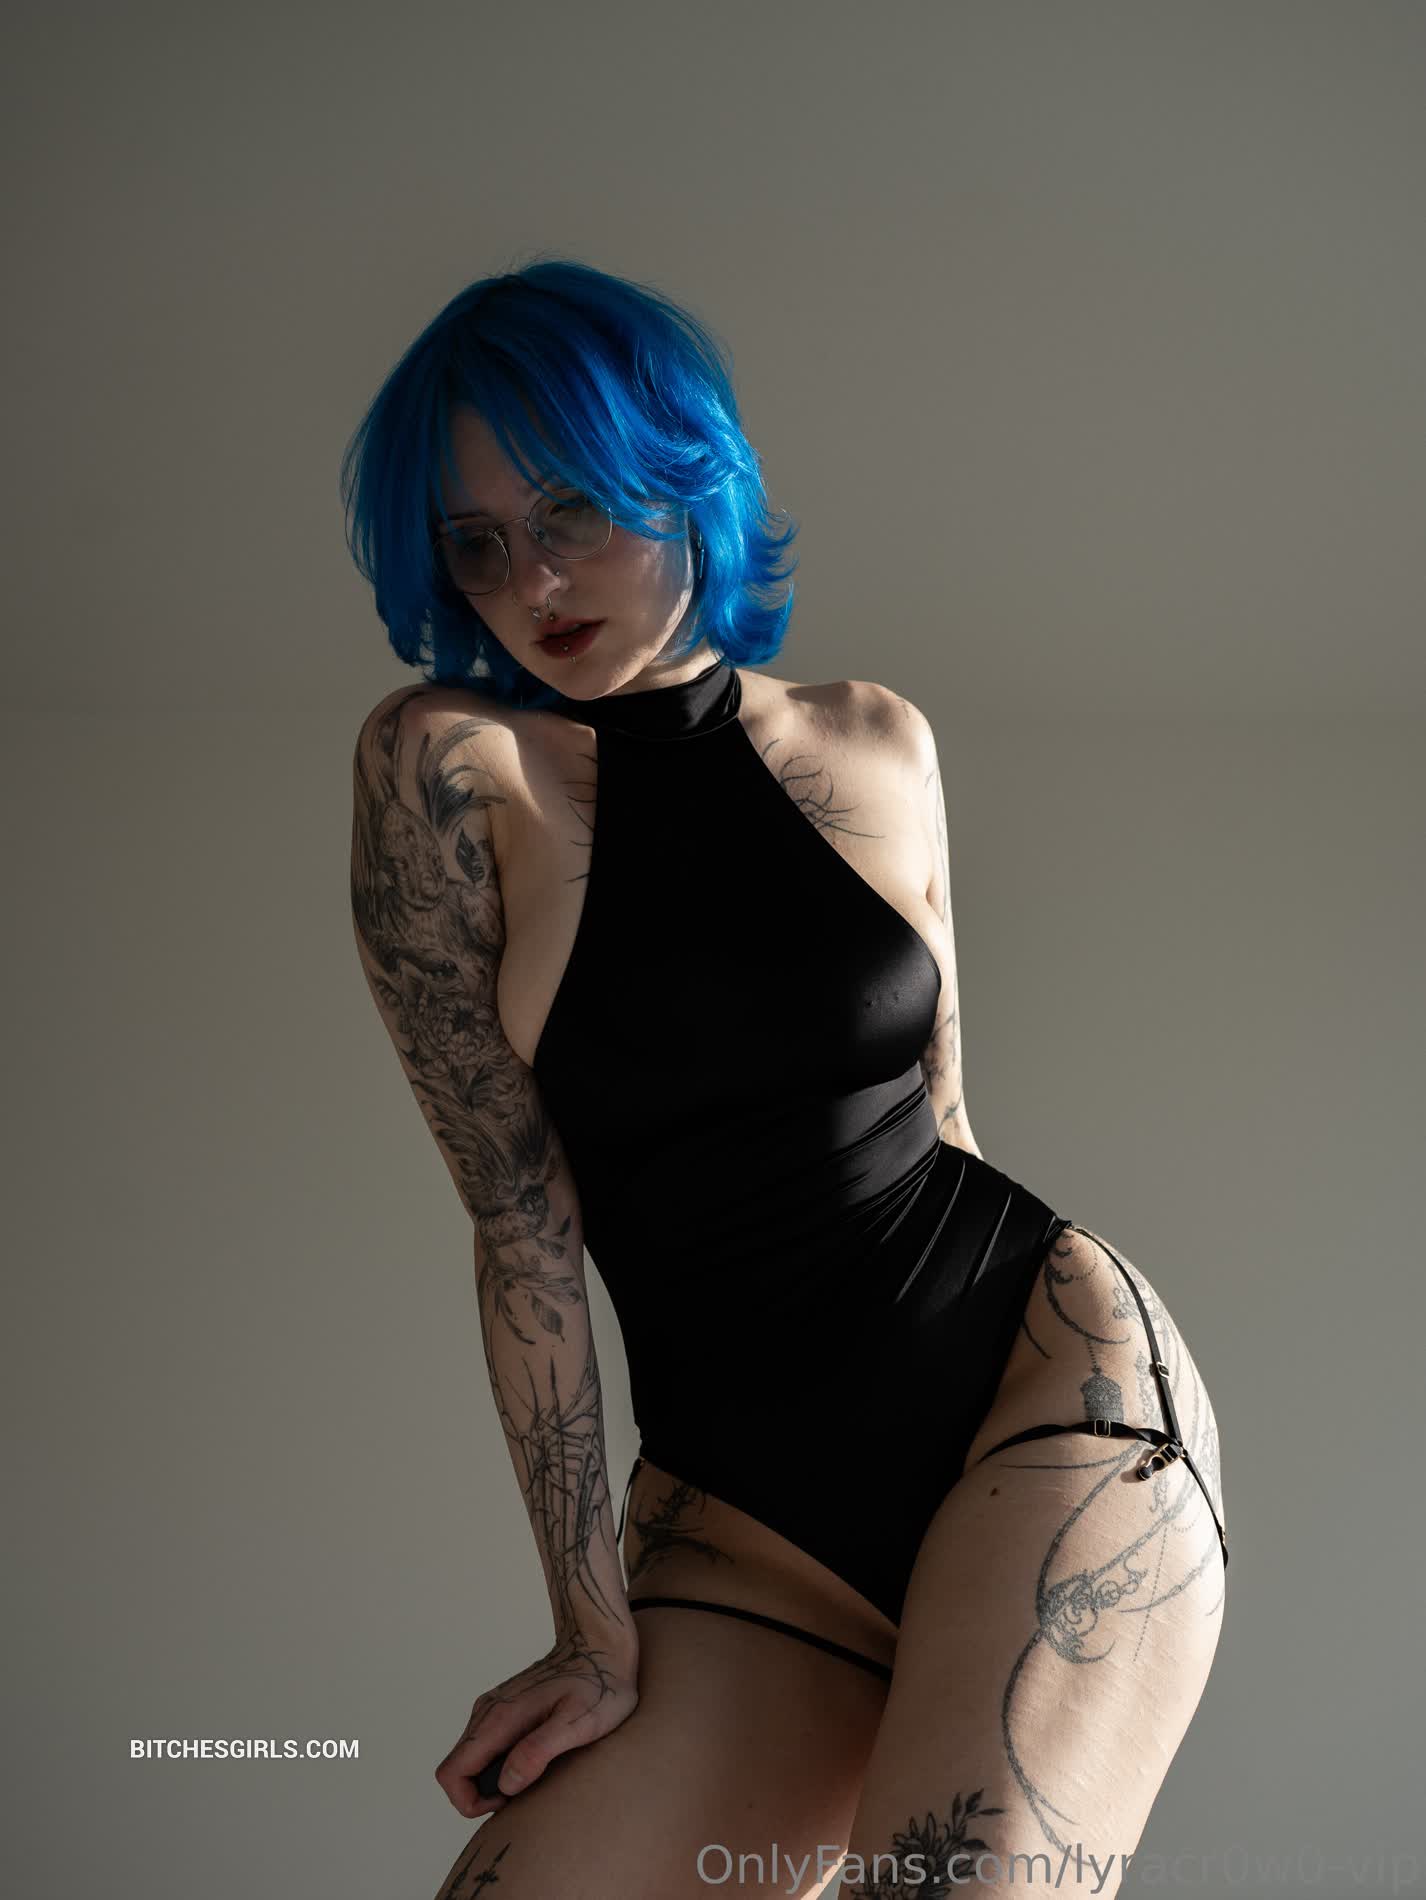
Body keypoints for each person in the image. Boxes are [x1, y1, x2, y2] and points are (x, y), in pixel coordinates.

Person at [343, 257, 1228, 1900]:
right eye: (475, 543)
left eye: (570, 509)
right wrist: (587, 1629)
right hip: (739, 1516)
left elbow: (940, 1124)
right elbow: (519, 1224)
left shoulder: (875, 740)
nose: (531, 579)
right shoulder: (453, 768)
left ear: (684, 475)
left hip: (1035, 1395)